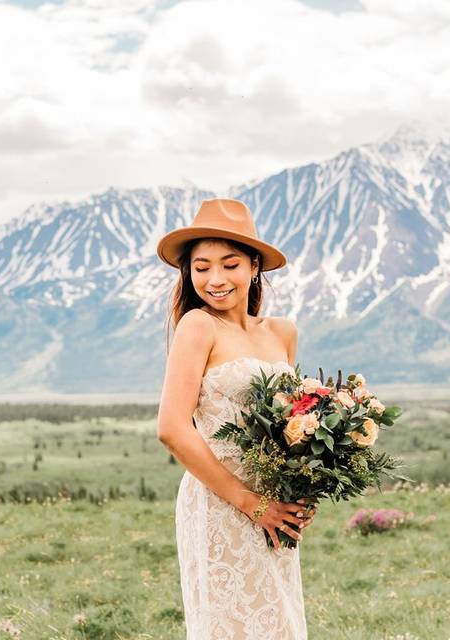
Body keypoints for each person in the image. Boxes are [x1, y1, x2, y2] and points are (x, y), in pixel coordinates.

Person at [156, 198, 315, 639]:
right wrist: (250, 503)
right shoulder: (197, 326)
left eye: (229, 264)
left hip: (274, 505)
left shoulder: (282, 333)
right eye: (201, 267)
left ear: (254, 266)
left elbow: (288, 427)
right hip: (219, 503)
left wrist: (299, 493)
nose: (215, 279)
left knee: (279, 623)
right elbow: (171, 428)